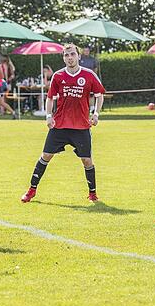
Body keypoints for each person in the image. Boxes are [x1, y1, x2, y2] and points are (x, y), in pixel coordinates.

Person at [21, 44, 105, 203]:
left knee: (87, 160)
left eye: (72, 54)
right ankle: (31, 190)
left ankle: (92, 193)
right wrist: (47, 116)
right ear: (63, 58)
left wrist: (96, 114)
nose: (70, 57)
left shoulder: (89, 75)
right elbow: (50, 97)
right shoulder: (58, 76)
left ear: (79, 56)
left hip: (81, 126)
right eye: (66, 55)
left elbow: (99, 94)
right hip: (59, 125)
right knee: (45, 156)